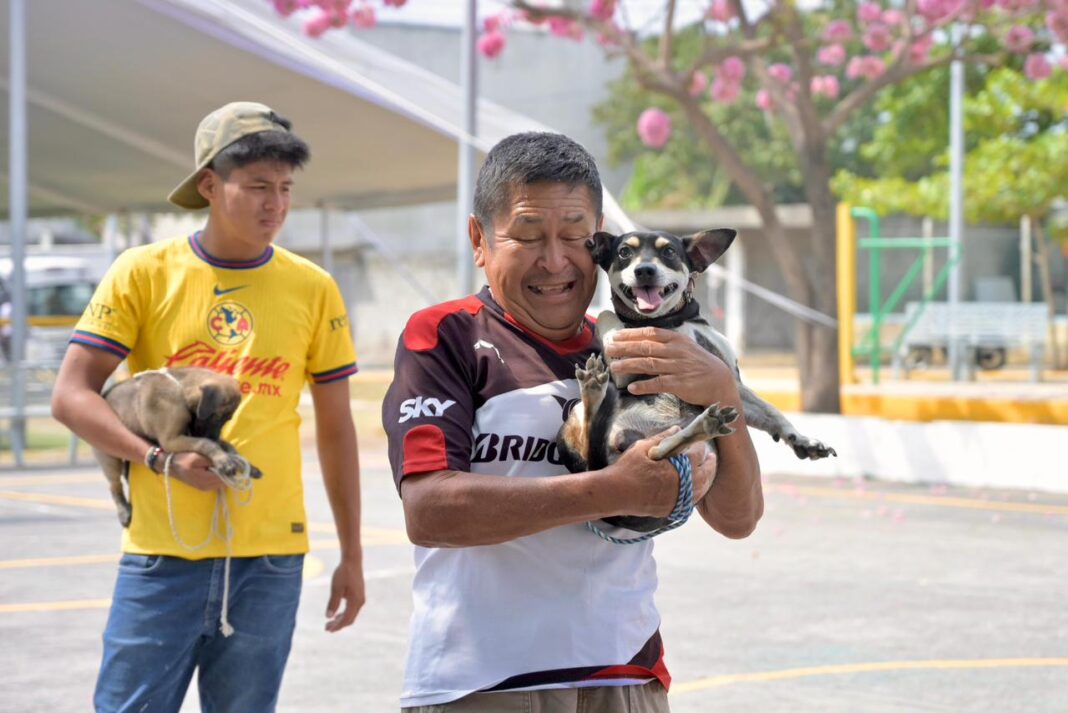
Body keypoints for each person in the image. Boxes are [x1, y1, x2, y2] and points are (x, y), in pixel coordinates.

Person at [382, 132, 763, 712]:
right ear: (480, 240)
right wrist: (609, 490)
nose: (555, 261)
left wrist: (721, 395)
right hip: (481, 683)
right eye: (529, 236)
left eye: (575, 238)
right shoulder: (448, 335)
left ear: (602, 241)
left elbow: (737, 519)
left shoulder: (645, 347)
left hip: (623, 675)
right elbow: (430, 510)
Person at [52, 101, 365, 712]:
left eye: (284, 188)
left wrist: (352, 556)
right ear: (208, 185)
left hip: (271, 562)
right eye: (255, 187)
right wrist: (159, 459)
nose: (273, 203)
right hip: (161, 556)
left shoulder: (312, 287)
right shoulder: (142, 273)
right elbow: (70, 394)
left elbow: (336, 430)